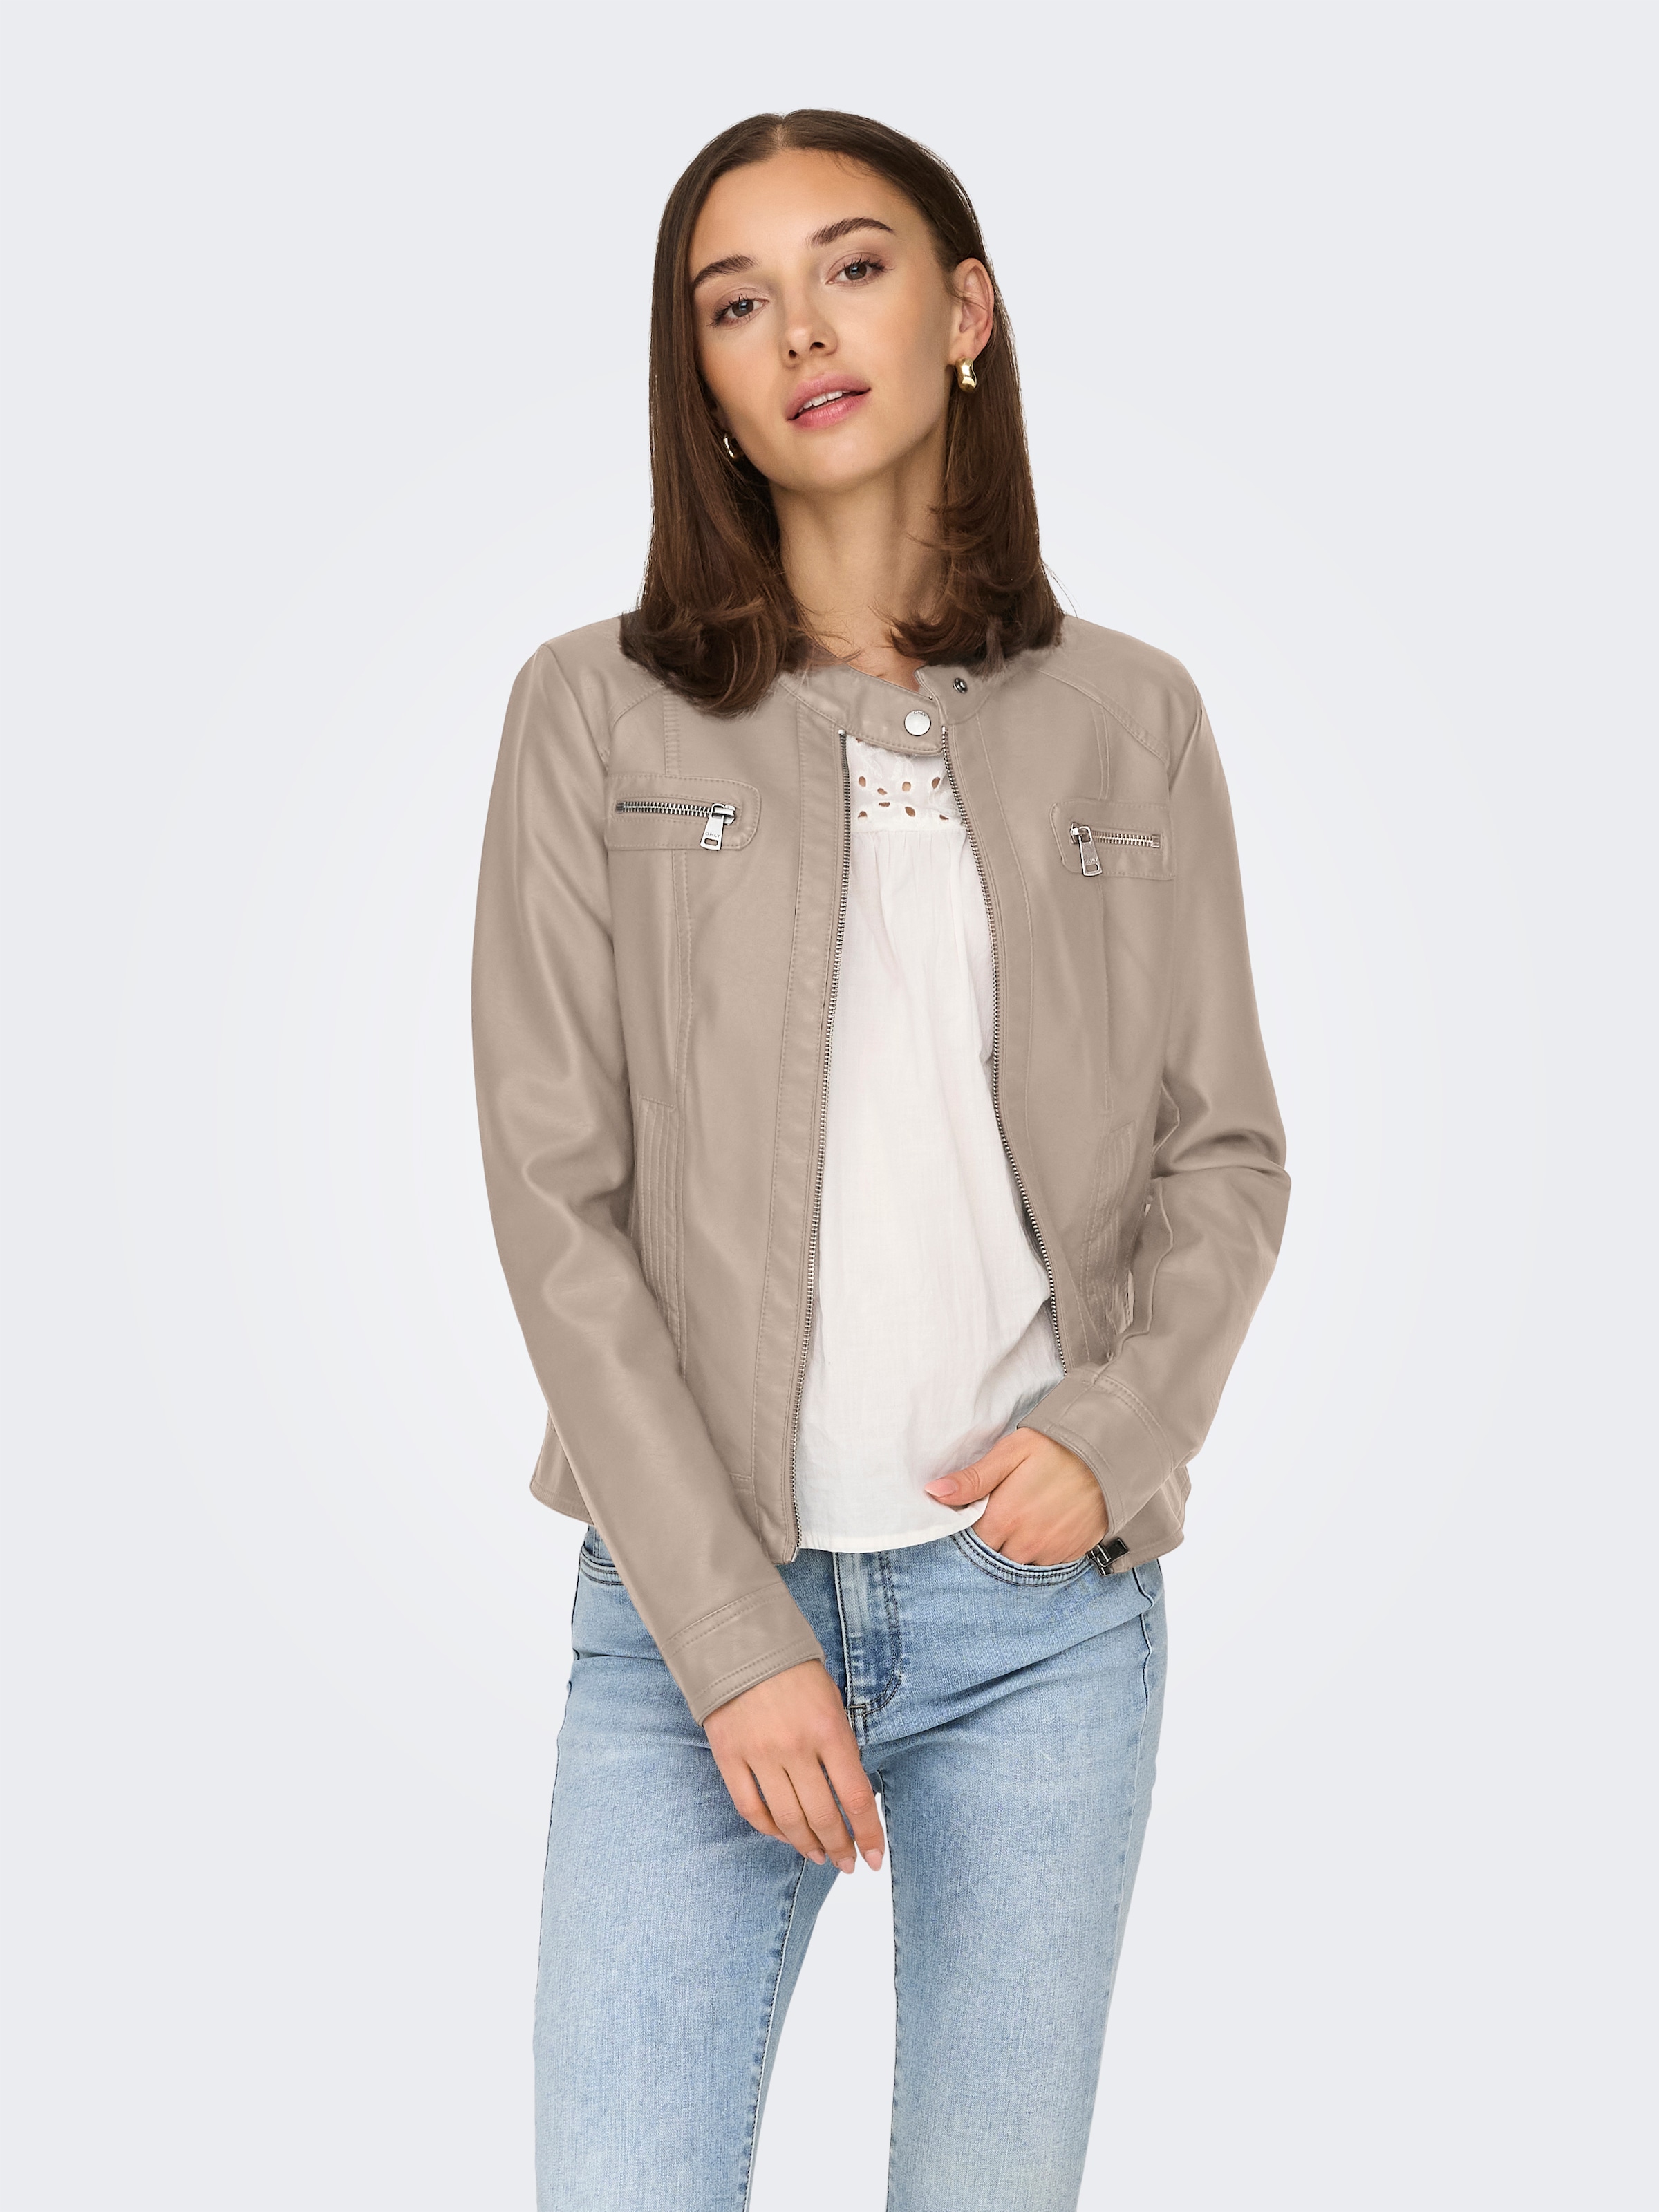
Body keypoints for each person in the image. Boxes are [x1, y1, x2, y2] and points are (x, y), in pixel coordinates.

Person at [471, 107, 1290, 2212]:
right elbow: (556, 1203)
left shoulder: (1136, 719)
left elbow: (1225, 1155)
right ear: (703, 378)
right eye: (735, 303)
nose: (802, 333)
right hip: (686, 1619)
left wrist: (1118, 1433)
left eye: (852, 267)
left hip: (1041, 1626)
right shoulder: (592, 714)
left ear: (966, 310)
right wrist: (733, 1636)